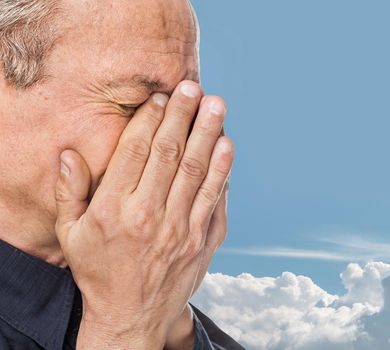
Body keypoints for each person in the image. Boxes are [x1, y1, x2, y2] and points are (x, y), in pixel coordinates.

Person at [0, 0, 244, 348]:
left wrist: (171, 317)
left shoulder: (176, 318)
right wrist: (125, 329)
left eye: (187, 107)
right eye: (132, 104)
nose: (178, 140)